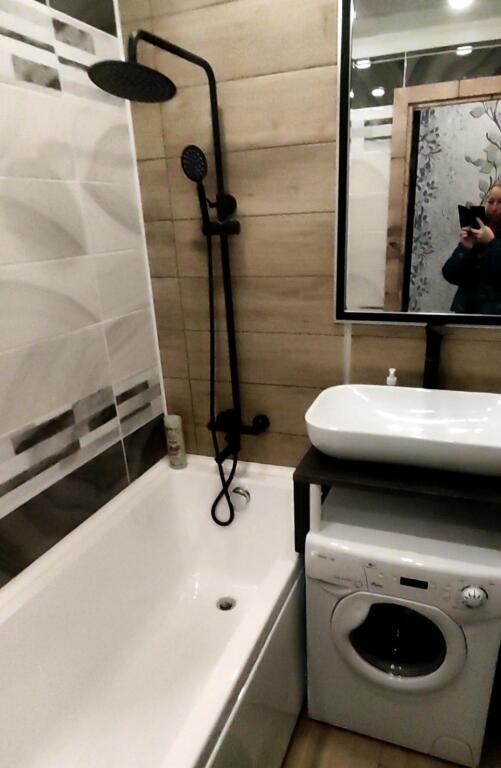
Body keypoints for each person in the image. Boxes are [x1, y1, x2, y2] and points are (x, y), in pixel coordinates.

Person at [442, 181, 501, 313]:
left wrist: (492, 243)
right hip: (467, 314)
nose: (494, 208)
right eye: (491, 202)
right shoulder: (480, 232)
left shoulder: (487, 238)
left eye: (500, 202)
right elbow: (450, 275)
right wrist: (465, 248)